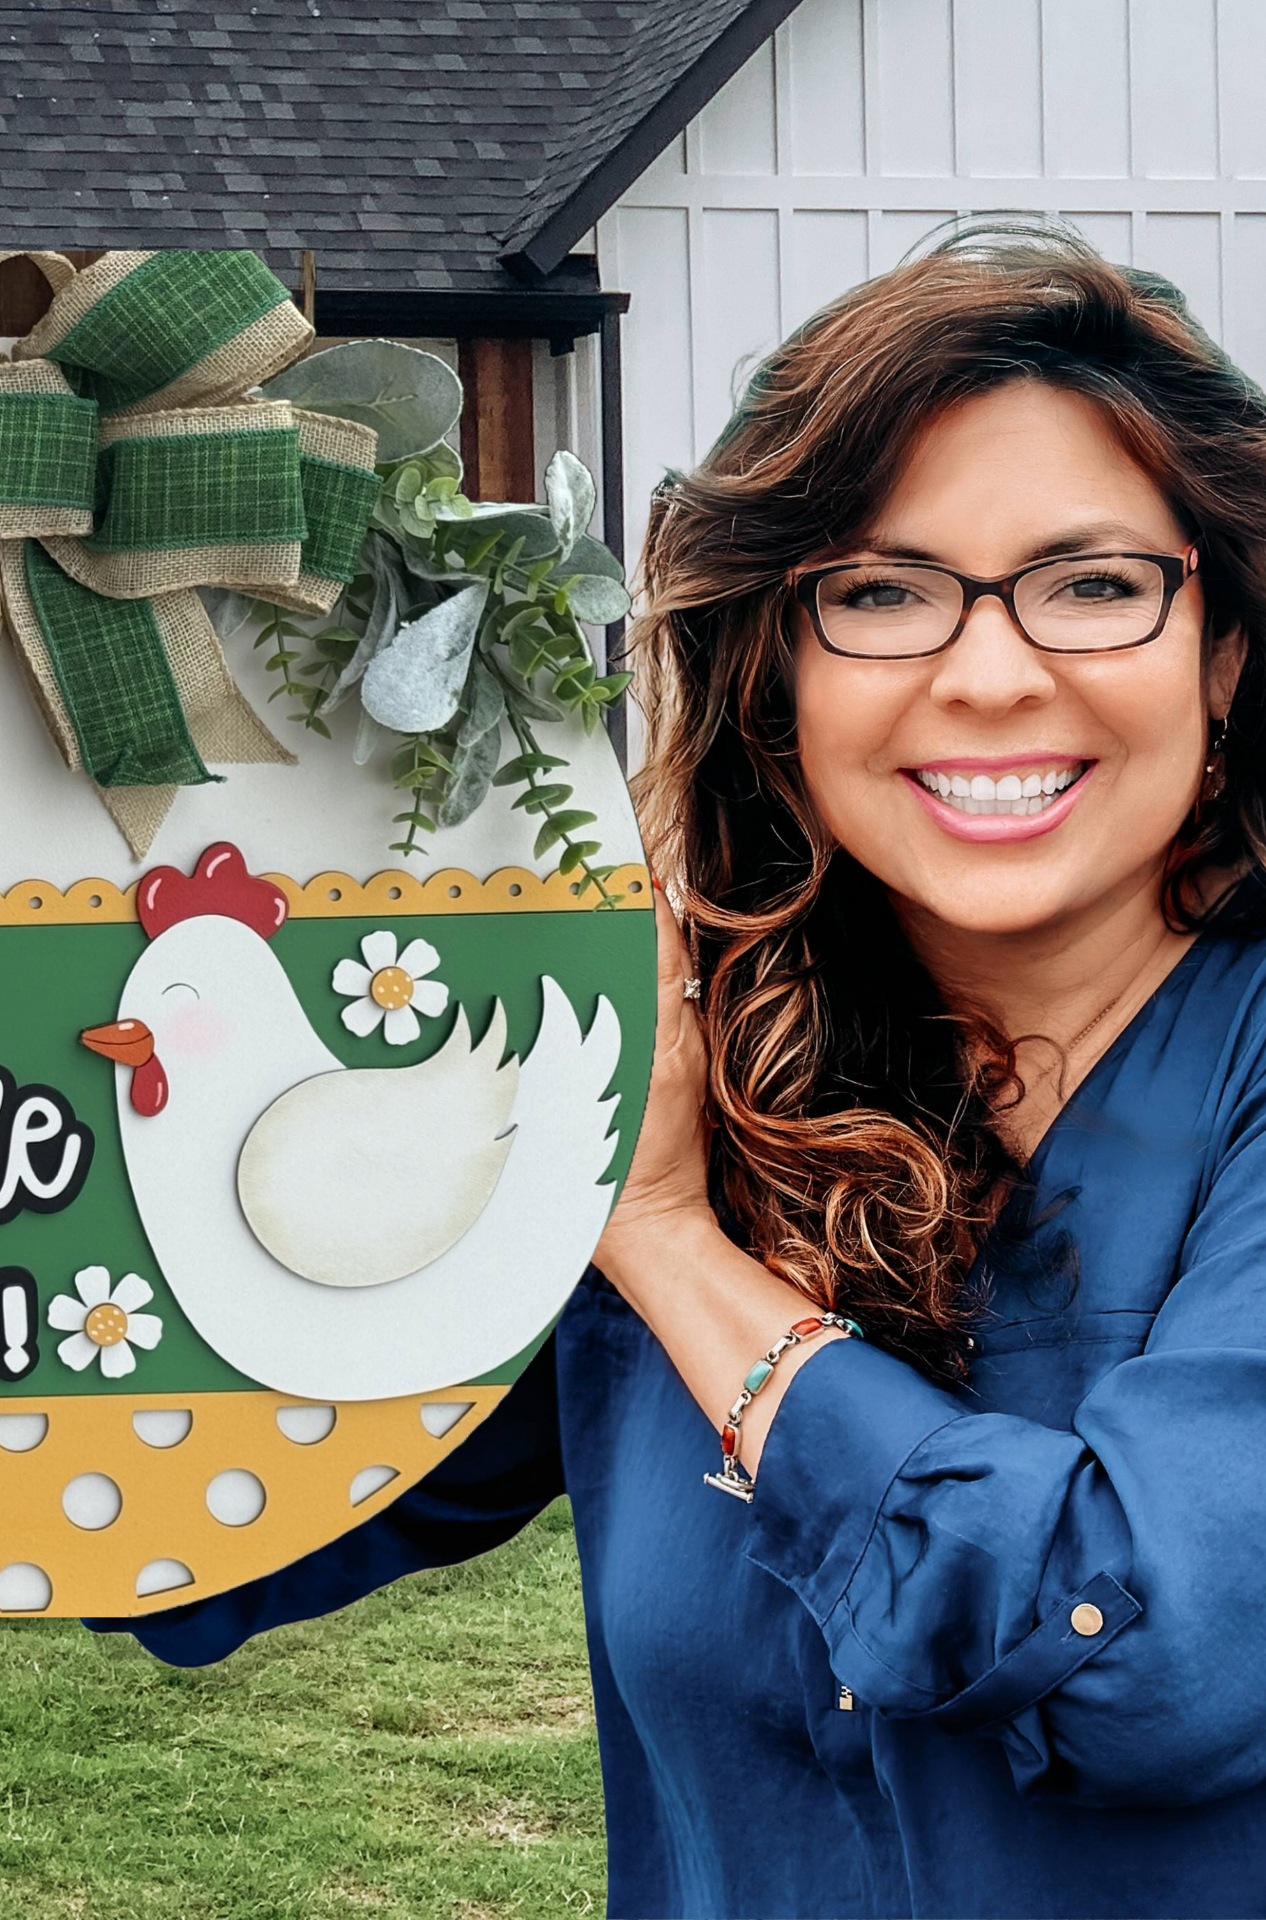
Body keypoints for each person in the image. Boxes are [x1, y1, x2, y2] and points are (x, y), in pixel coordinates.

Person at [95, 228, 1266, 1918]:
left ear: (1221, 654)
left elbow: (1143, 1660)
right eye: (880, 590)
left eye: (1094, 585)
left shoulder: (648, 1164)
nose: (993, 670)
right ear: (777, 672)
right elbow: (213, 1519)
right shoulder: (695, 1069)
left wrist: (661, 1243)